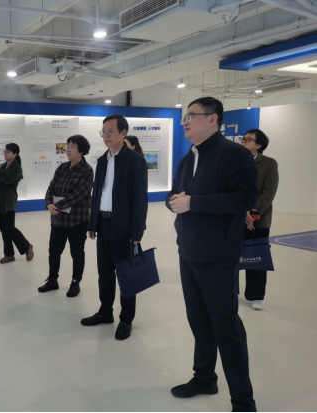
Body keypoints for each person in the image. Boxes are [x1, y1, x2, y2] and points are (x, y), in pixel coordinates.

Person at [166, 97, 258, 412]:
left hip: (218, 255)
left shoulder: (235, 155)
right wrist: (173, 201)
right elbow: (176, 193)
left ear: (213, 119)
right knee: (199, 321)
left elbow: (245, 198)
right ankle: (204, 377)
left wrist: (193, 202)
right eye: (184, 117)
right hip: (188, 250)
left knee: (226, 328)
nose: (185, 122)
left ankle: (243, 402)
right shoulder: (188, 157)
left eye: (191, 116)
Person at [82, 114, 149, 341]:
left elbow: (140, 199)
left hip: (123, 225)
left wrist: (137, 232)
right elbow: (97, 194)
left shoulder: (135, 160)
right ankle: (105, 312)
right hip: (103, 223)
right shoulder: (103, 160)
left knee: (126, 275)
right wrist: (93, 222)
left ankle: (126, 319)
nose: (106, 135)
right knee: (105, 272)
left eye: (111, 131)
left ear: (123, 133)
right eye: (103, 131)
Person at [39, 135, 94, 298]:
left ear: (81, 151)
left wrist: (56, 206)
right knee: (54, 251)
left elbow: (78, 195)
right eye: (68, 146)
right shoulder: (62, 168)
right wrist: (49, 203)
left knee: (77, 253)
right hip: (58, 220)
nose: (68, 149)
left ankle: (75, 283)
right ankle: (52, 280)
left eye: (72, 146)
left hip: (77, 221)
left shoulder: (87, 170)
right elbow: (51, 188)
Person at [240, 129, 279, 311]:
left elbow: (268, 192)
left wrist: (252, 213)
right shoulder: (234, 160)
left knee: (256, 257)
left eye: (248, 139)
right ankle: (231, 291)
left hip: (258, 220)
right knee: (231, 256)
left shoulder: (269, 163)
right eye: (243, 138)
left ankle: (256, 296)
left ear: (259, 145)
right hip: (235, 217)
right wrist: (242, 212)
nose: (243, 141)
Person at [0, 143, 34, 264]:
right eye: (5, 151)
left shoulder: (16, 168)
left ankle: (27, 247)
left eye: (8, 152)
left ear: (15, 154)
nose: (5, 153)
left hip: (8, 202)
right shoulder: (2, 166)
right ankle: (9, 254)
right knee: (3, 229)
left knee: (10, 228)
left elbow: (7, 179)